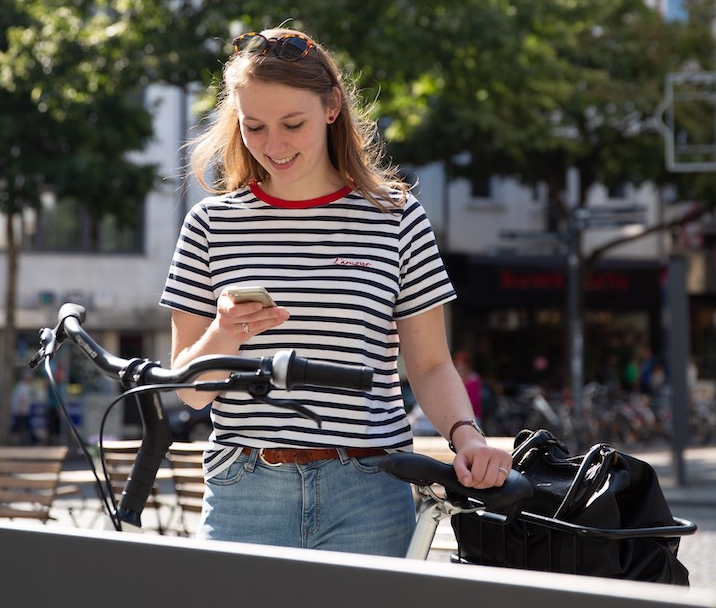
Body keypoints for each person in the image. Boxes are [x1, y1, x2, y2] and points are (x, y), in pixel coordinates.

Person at [159, 27, 512, 557]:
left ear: (331, 108)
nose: (273, 144)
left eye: (292, 124)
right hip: (246, 488)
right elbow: (190, 390)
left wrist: (469, 435)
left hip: (370, 487)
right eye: (253, 126)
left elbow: (431, 364)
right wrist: (223, 331)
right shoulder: (210, 224)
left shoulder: (395, 217)